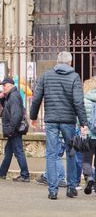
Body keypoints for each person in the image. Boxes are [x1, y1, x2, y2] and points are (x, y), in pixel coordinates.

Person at [30, 51, 88, 199]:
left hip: (51, 120)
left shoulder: (47, 75)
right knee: (71, 152)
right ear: (70, 62)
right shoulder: (74, 77)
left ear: (57, 61)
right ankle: (71, 188)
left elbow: (36, 98)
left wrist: (33, 117)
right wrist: (83, 123)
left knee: (51, 153)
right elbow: (78, 102)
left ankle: (53, 190)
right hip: (68, 120)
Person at [0, 77, 30, 183]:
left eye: (4, 85)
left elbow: (16, 115)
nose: (3, 87)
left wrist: (11, 129)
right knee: (8, 151)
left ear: (11, 85)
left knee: (18, 152)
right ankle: (2, 172)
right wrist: (2, 99)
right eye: (2, 86)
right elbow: (7, 109)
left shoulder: (14, 96)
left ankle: (25, 175)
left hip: (14, 129)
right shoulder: (11, 96)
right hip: (13, 129)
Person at [81, 77, 96, 194]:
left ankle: (89, 177)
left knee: (86, 160)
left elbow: (80, 118)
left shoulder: (84, 99)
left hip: (88, 136)